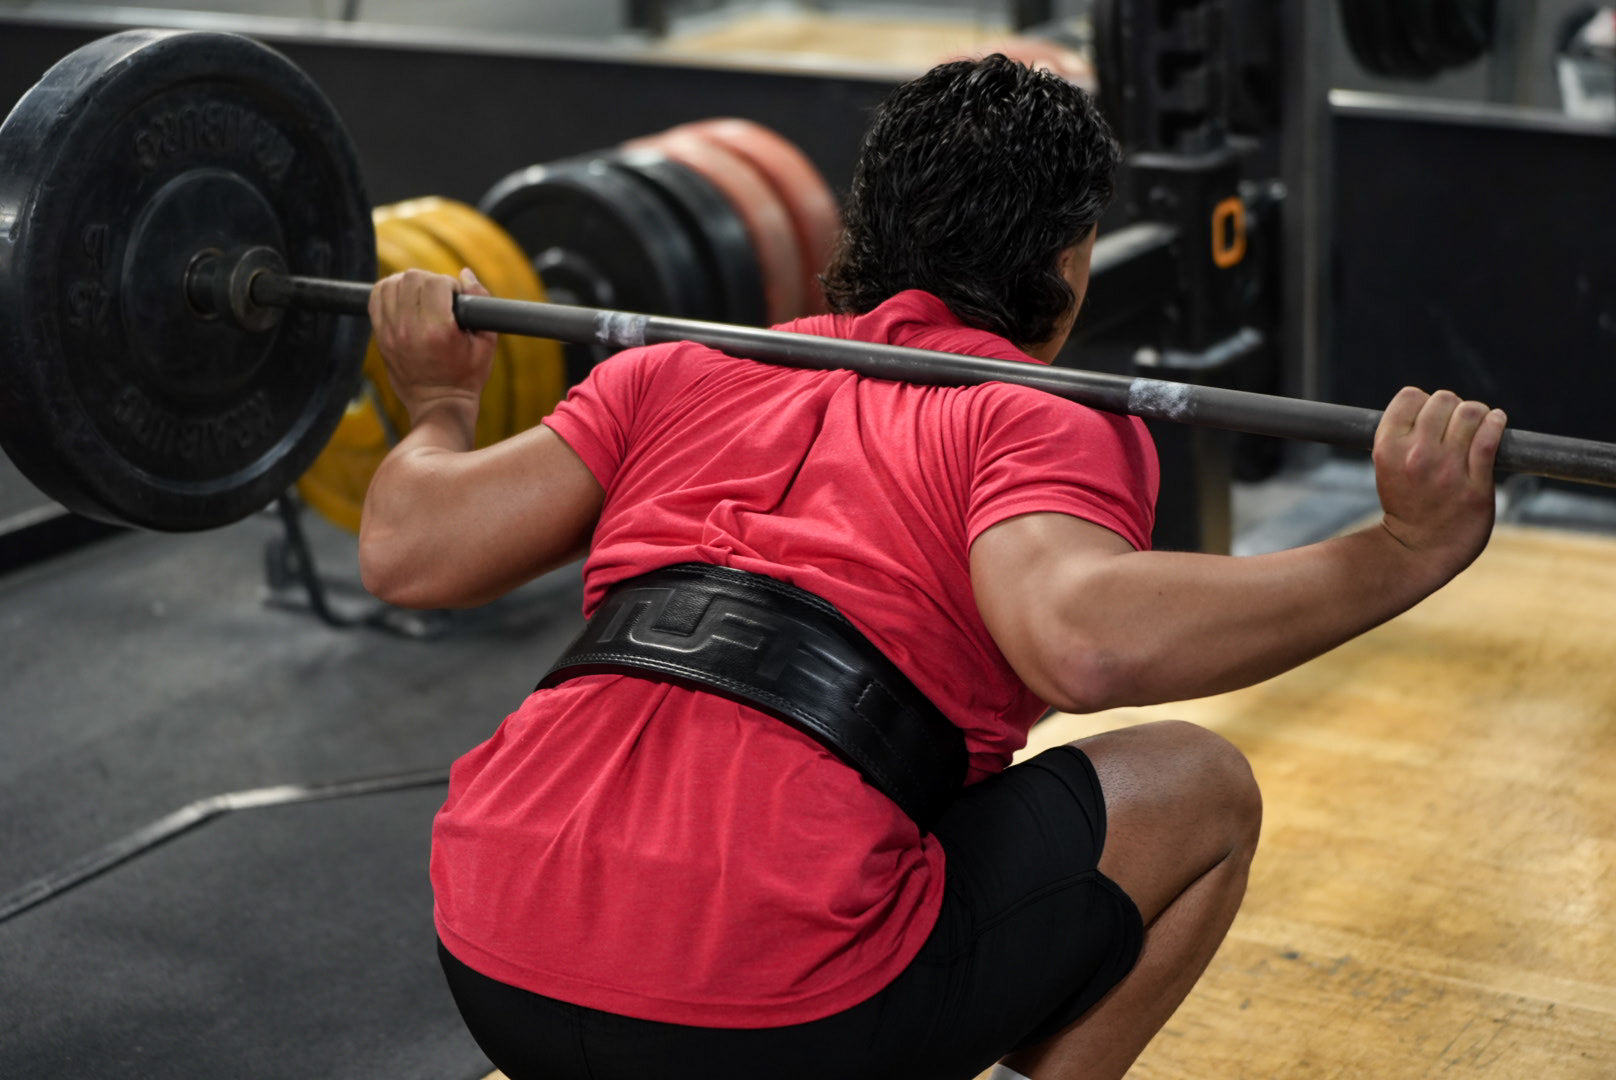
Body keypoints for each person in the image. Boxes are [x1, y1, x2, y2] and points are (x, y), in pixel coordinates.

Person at [358, 55, 1506, 1080]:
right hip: (778, 1025)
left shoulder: (671, 372)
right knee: (1197, 790)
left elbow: (410, 548)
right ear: (1066, 261)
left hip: (494, 964)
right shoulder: (1032, 414)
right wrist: (1394, 553)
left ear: (863, 229)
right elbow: (1082, 636)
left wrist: (443, 401)